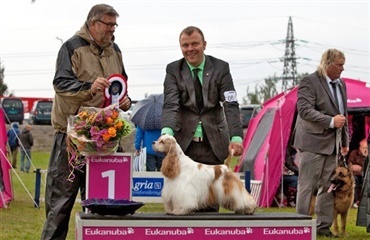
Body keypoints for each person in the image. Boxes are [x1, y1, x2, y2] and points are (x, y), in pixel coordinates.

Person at [41, 4, 132, 239]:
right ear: (93, 24)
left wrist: (125, 101)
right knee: (60, 205)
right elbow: (60, 83)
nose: (113, 30)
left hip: (107, 138)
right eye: (108, 25)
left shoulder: (116, 50)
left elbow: (121, 84)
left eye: (115, 25)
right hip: (72, 137)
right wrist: (88, 88)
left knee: (106, 206)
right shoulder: (71, 47)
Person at [161, 26, 244, 211]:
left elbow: (230, 103)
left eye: (194, 44)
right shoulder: (173, 70)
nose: (190, 49)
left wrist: (236, 137)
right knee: (182, 204)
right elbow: (170, 104)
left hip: (213, 145)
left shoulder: (221, 68)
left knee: (210, 206)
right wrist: (166, 134)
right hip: (184, 146)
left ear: (204, 44)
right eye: (185, 45)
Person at [293, 48, 349, 237]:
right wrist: (330, 121)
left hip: (333, 144)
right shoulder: (309, 81)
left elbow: (344, 114)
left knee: (329, 186)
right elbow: (304, 110)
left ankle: (323, 228)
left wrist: (345, 140)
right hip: (312, 143)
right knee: (307, 185)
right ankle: (300, 226)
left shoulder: (341, 85)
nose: (342, 69)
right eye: (339, 65)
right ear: (328, 64)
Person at [348, 138, 368, 208]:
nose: (365, 150)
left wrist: (361, 169)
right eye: (364, 148)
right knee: (353, 180)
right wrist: (352, 167)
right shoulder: (354, 153)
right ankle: (355, 201)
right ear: (360, 148)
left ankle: (364, 202)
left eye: (367, 147)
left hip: (366, 175)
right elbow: (349, 165)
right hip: (356, 175)